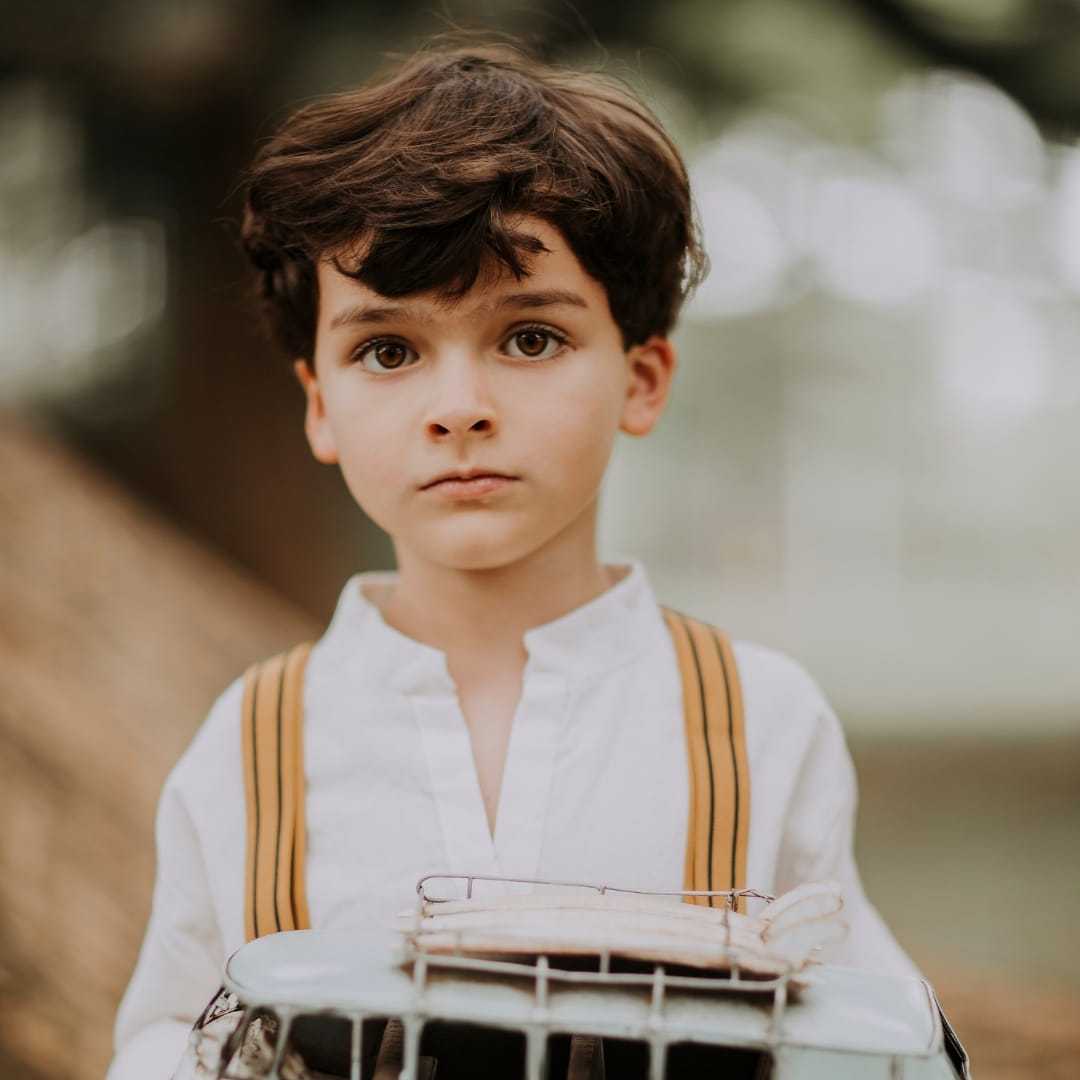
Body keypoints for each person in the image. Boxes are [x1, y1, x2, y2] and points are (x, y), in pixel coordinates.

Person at [107, 36, 919, 1079]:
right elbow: (163, 1035)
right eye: (388, 350)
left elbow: (868, 1040)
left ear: (642, 379)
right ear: (320, 405)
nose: (459, 409)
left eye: (530, 338)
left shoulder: (761, 725)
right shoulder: (250, 747)